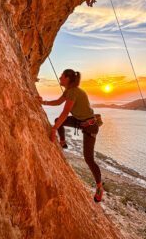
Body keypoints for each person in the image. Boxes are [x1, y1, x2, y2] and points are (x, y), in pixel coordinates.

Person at [37, 69, 104, 203]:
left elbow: (65, 111)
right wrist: (43, 102)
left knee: (89, 158)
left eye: (62, 76)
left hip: (90, 126)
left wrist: (54, 129)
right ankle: (63, 142)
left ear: (67, 78)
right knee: (58, 121)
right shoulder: (69, 91)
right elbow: (57, 102)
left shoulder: (73, 92)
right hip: (81, 121)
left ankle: (99, 187)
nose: (60, 78)